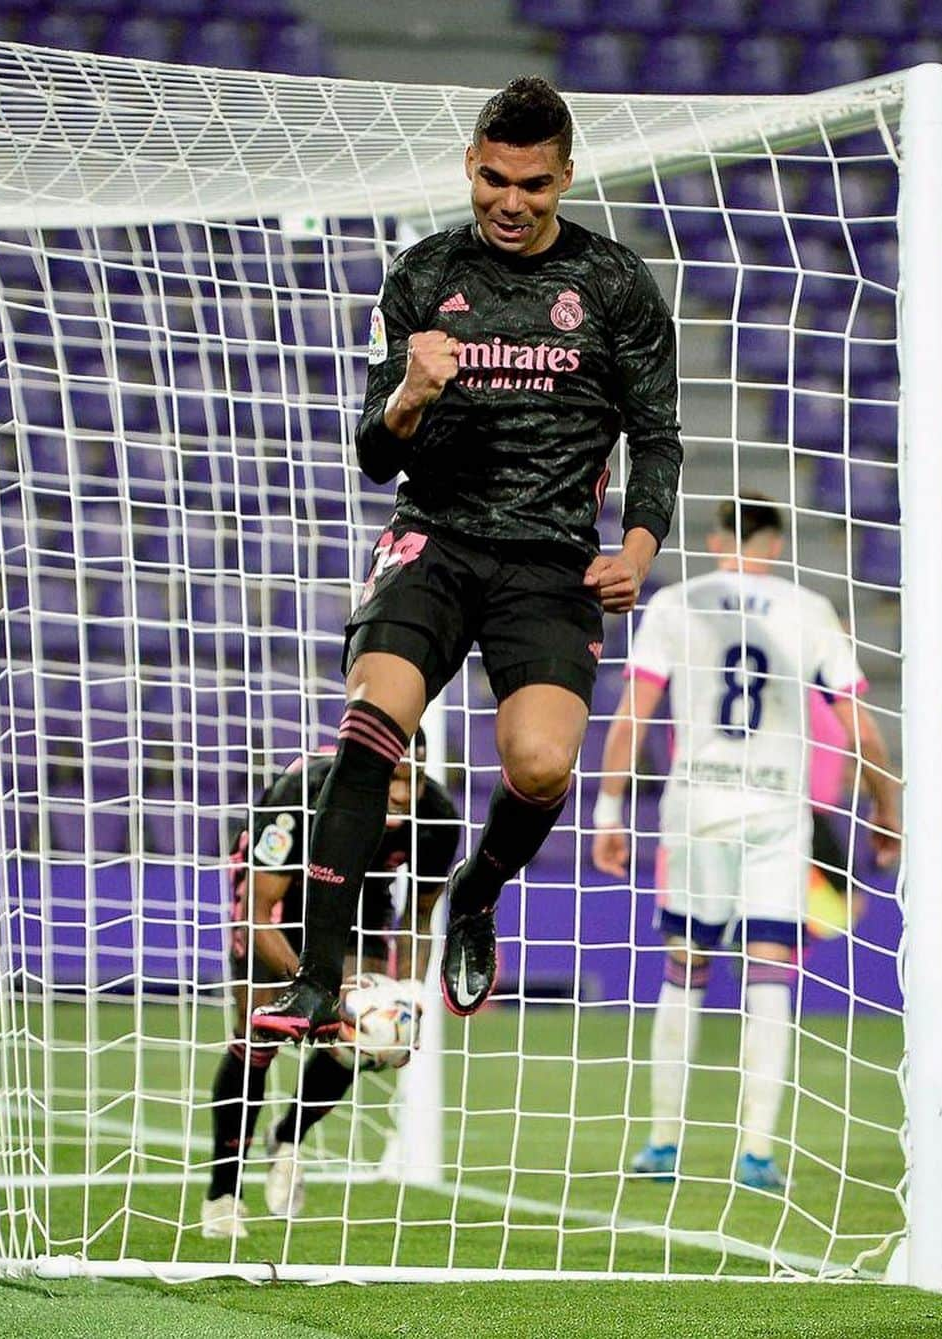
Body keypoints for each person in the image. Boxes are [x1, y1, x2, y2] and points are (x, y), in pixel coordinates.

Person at [252, 75, 681, 1041]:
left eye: (533, 184)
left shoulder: (614, 285)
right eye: (494, 180)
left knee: (538, 768)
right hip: (435, 535)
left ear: (566, 176)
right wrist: (408, 391)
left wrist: (640, 548)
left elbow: (658, 436)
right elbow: (373, 452)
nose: (512, 203)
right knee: (373, 718)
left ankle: (476, 892)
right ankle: (318, 976)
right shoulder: (419, 276)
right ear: (470, 167)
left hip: (551, 557)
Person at [591, 495, 900, 1190]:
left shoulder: (676, 604)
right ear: (776, 544)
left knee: (684, 969)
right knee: (768, 974)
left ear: (716, 536)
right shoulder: (808, 609)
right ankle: (755, 1154)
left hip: (697, 803)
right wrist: (887, 806)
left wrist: (608, 811)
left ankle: (663, 1143)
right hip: (775, 811)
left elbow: (630, 716)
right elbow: (864, 731)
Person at [203, 732, 459, 1240]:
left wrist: (407, 991)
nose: (405, 794)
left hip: (359, 894)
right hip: (277, 898)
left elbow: (419, 916)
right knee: (258, 1037)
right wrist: (313, 985)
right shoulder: (301, 795)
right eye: (394, 777)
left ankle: (289, 1139)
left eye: (416, 779)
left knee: (367, 1031)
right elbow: (257, 914)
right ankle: (224, 1194)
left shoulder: (437, 821)